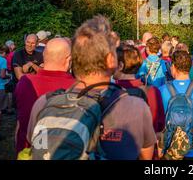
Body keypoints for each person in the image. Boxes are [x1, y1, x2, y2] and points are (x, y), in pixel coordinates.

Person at [27, 16, 156, 160]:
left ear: (72, 60)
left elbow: (33, 147)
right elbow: (146, 156)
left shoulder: (43, 103)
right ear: (110, 60)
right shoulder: (136, 107)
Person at [14, 38, 75, 155]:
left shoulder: (25, 82)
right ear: (69, 59)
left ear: (44, 55)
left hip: (28, 151)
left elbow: (20, 120)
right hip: (61, 152)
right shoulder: (76, 86)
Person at [159, 50, 193, 160]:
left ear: (173, 66)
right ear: (190, 66)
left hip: (169, 149)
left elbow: (157, 124)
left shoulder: (161, 90)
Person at [115, 45, 165, 135]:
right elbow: (160, 126)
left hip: (118, 147)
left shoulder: (111, 91)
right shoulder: (153, 92)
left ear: (120, 65)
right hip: (147, 144)